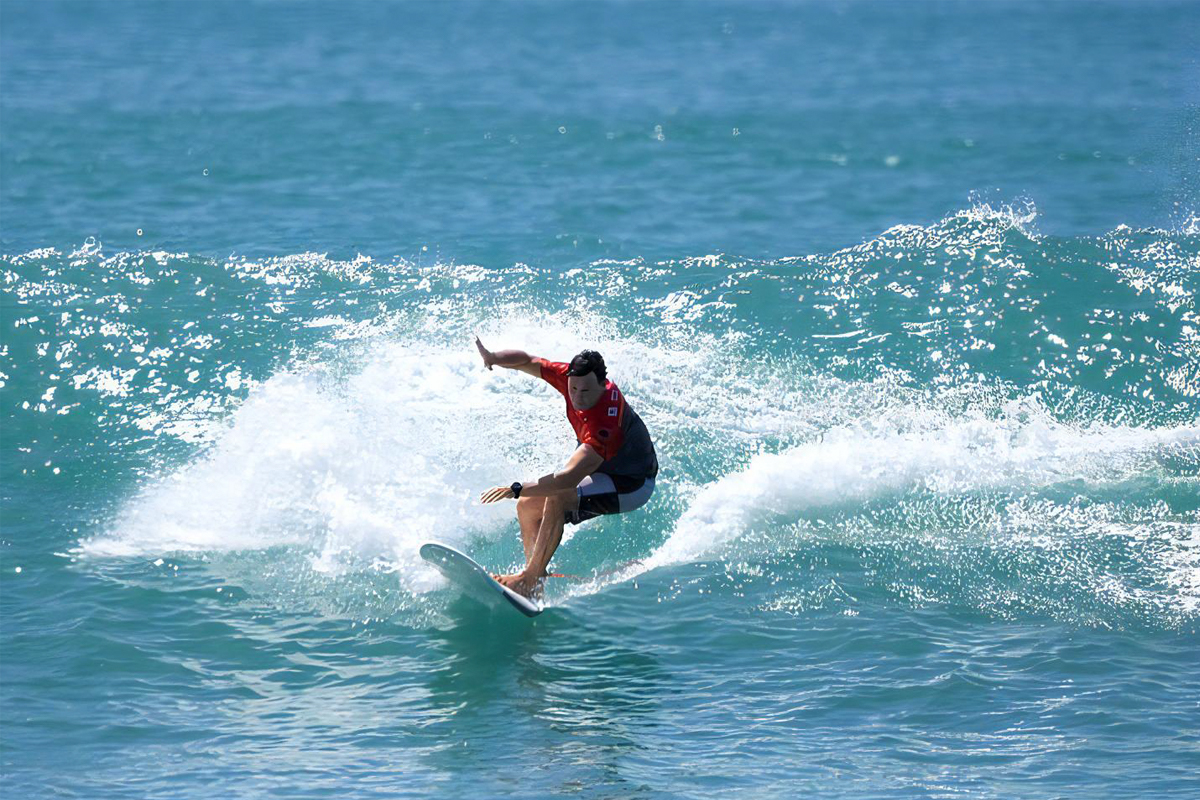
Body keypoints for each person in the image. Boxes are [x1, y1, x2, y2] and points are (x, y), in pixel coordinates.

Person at [475, 337, 659, 598]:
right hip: (603, 472)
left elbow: (566, 480)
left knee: (555, 495)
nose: (577, 397)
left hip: (631, 484)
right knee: (527, 505)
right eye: (572, 390)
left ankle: (529, 579)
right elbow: (528, 360)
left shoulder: (605, 425)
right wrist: (493, 357)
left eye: (585, 392)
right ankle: (535, 576)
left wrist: (516, 487)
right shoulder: (572, 378)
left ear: (602, 384)